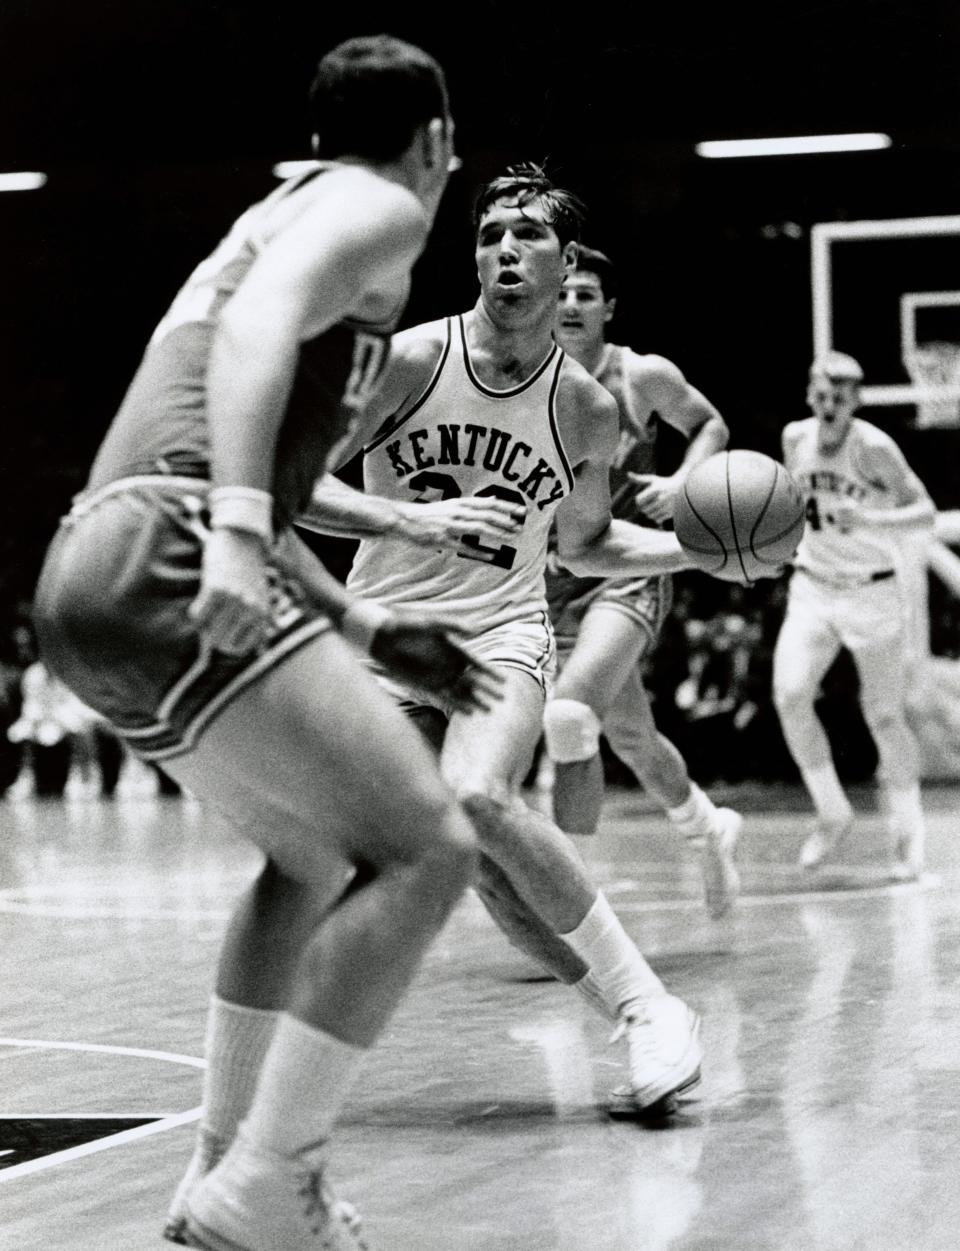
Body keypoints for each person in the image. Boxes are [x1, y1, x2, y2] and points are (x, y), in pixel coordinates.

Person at [32, 34, 496, 1251]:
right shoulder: (378, 210)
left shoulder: (276, 214)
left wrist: (359, 618)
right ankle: (268, 1181)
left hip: (96, 566)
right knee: (432, 850)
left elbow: (214, 422)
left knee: (306, 862)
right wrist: (237, 534)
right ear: (438, 141)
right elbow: (250, 353)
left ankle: (215, 1177)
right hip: (179, 547)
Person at [302, 164, 709, 1121]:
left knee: (479, 795)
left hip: (501, 630)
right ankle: (629, 1014)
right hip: (388, 635)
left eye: (526, 235)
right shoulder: (408, 362)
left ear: (568, 265)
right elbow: (288, 484)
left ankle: (651, 1006)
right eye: (489, 236)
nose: (504, 251)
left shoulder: (587, 408)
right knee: (465, 856)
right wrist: (409, 526)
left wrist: (701, 553)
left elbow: (587, 542)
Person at [545, 245, 741, 919]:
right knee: (631, 738)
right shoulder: (519, 376)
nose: (571, 304)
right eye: (563, 292)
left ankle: (569, 910)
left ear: (609, 309)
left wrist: (686, 479)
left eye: (586, 295)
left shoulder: (640, 374)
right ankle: (707, 826)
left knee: (570, 716)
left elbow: (711, 422)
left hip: (627, 570)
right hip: (552, 580)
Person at [773, 351, 935, 878]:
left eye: (840, 395)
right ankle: (831, 812)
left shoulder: (874, 447)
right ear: (809, 396)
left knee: (884, 715)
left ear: (855, 401)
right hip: (815, 587)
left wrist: (867, 517)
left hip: (874, 591)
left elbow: (924, 511)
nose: (829, 403)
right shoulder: (793, 438)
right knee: (791, 696)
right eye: (821, 392)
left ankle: (908, 834)